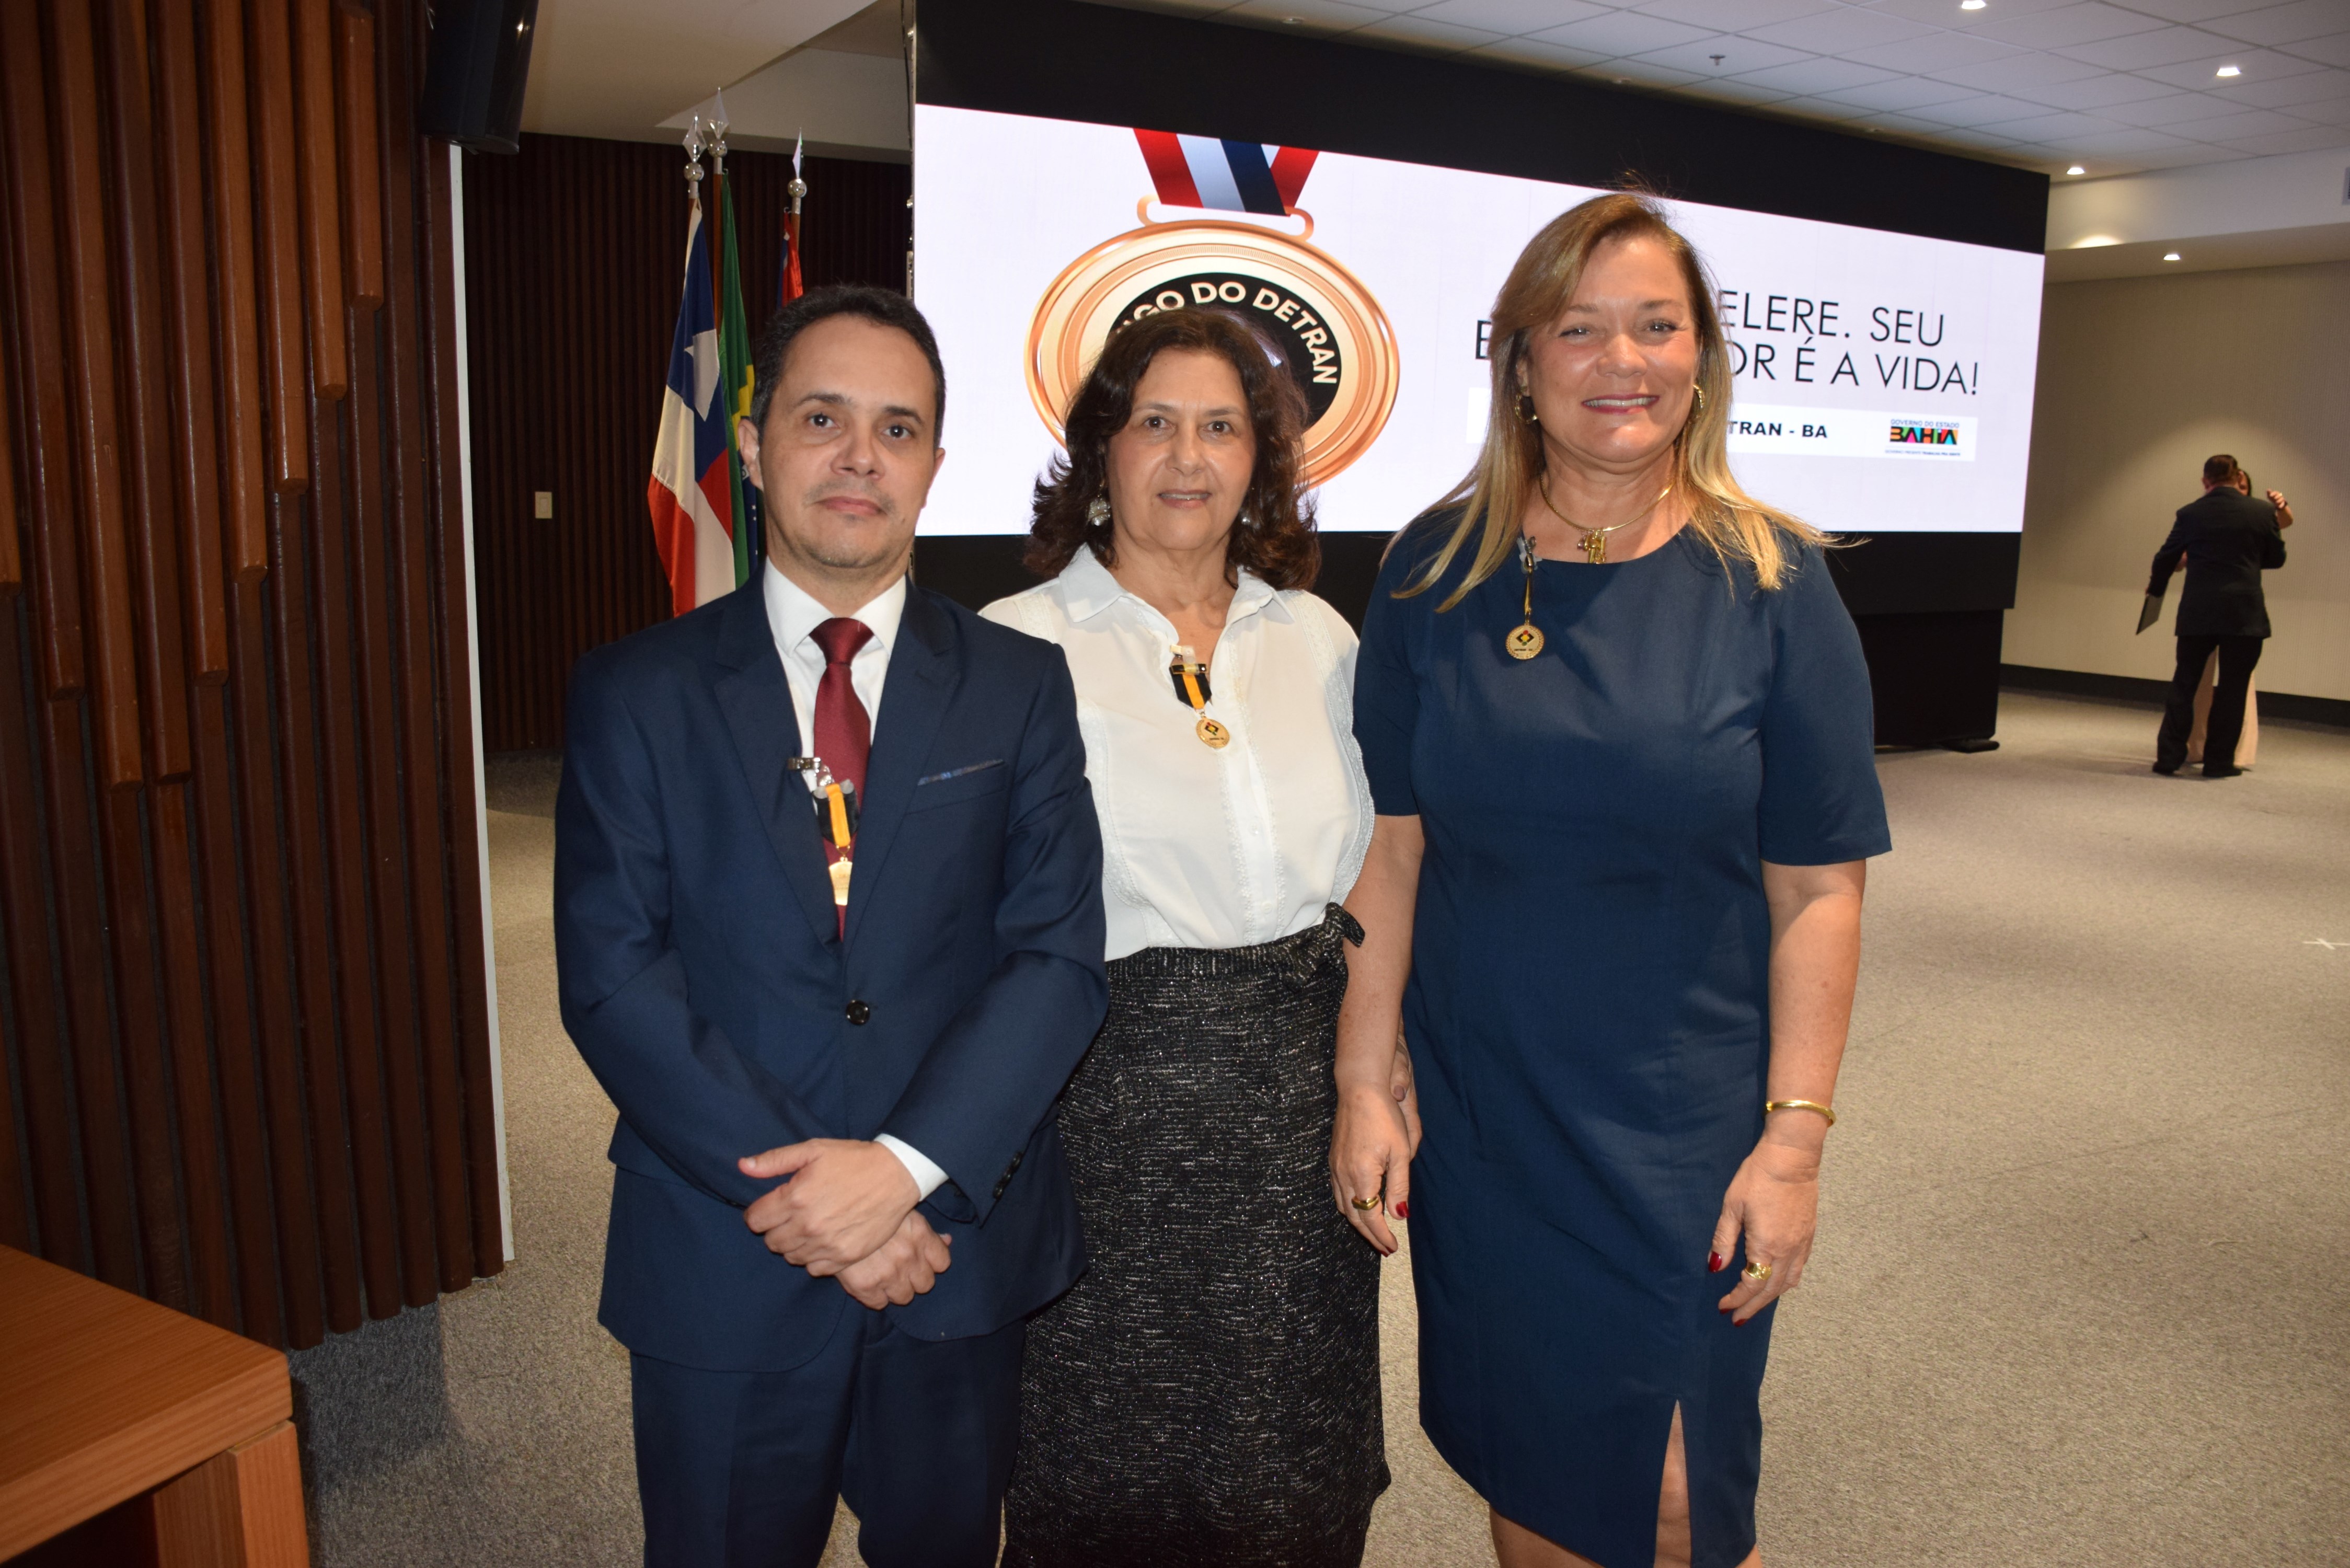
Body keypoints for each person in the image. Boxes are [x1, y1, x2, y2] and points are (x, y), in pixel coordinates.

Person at [1331, 193, 1889, 1568]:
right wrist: (1361, 1076)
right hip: (1492, 1114)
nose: (1619, 360)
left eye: (1656, 326)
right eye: (1577, 329)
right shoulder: (1431, 568)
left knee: (1683, 1496)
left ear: (1701, 358)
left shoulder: (1774, 580)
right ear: (1519, 362)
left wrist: (1797, 1141)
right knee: (1547, 1478)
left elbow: (1819, 888)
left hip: (1685, 1124)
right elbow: (1390, 849)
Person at [554, 284, 1108, 1568]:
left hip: (951, 1250)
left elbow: (1055, 958)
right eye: (822, 416)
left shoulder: (1020, 687)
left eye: (898, 427)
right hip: (726, 1238)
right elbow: (613, 974)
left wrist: (903, 1170)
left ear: (933, 465)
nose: (861, 456)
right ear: (752, 446)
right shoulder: (635, 690)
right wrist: (817, 1195)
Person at [983, 306, 1396, 1567]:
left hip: (1298, 1123)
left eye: (1221, 426)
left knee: (1294, 1475)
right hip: (1100, 1119)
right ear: (1098, 447)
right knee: (1107, 1476)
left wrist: (1369, 1078)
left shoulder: (1318, 638)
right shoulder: (1012, 648)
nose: (1186, 455)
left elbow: (1380, 861)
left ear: (1259, 461)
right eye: (1151, 420)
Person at [2150, 453, 2290, 778]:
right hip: (2244, 612)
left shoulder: (2190, 514)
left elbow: (2165, 557)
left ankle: (2169, 757)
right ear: (2238, 477)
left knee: (2184, 684)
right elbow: (2277, 558)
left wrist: (2156, 589)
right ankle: (2218, 763)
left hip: (2198, 610)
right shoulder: (2262, 512)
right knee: (2233, 688)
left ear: (2205, 481)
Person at [2185, 465, 2296, 768]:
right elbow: (2183, 553)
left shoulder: (2256, 517)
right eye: (2237, 485)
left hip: (2240, 611)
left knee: (2238, 685)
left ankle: (2236, 751)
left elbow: (2284, 522)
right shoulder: (2203, 516)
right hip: (2205, 608)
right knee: (2199, 680)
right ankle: (2195, 745)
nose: (2240, 491)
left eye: (2245, 487)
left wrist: (2281, 505)